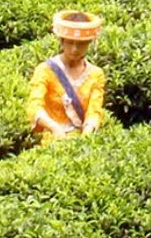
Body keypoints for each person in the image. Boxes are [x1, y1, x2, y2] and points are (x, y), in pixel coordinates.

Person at [27, 10, 106, 144]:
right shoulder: (45, 70)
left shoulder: (96, 74)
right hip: (52, 141)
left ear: (88, 43)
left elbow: (94, 110)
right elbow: (34, 105)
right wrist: (54, 127)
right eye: (70, 42)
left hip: (82, 141)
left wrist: (86, 135)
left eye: (81, 43)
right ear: (62, 42)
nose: (75, 49)